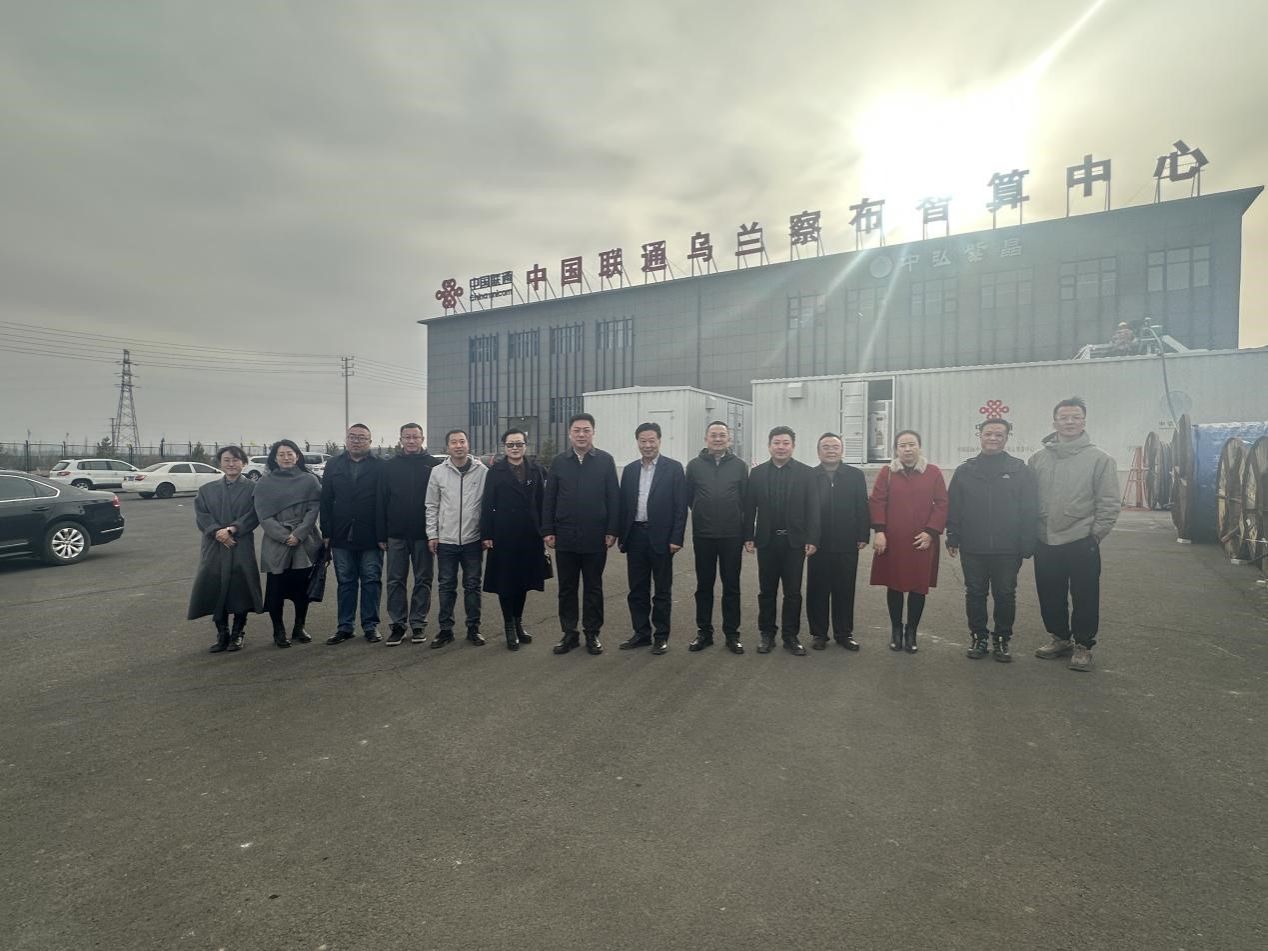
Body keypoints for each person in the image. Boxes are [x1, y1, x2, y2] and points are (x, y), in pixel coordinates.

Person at [1029, 397, 1121, 672]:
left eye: (1075, 417)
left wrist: (1096, 535)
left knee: (1085, 595)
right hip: (1045, 539)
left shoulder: (1100, 459)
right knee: (1050, 592)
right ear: (1054, 422)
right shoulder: (1038, 459)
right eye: (1064, 417)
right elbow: (1028, 500)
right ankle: (1060, 638)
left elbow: (1109, 501)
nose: (1069, 422)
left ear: (1084, 421)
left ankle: (1083, 645)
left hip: (1082, 539)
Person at [945, 419, 1038, 663]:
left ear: (1007, 438)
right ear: (980, 436)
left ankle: (1002, 639)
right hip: (973, 547)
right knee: (975, 593)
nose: (993, 438)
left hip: (1008, 548)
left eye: (999, 434)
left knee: (1005, 594)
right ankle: (979, 637)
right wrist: (953, 536)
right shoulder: (965, 471)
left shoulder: (1019, 470)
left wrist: (1027, 541)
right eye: (988, 434)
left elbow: (1029, 508)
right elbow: (954, 506)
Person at [542, 413, 620, 656]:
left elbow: (614, 498)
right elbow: (549, 498)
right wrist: (548, 530)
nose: (581, 434)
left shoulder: (605, 461)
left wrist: (612, 530)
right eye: (577, 430)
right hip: (565, 535)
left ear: (593, 433)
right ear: (569, 433)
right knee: (567, 588)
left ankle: (592, 633)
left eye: (586, 430)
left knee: (593, 587)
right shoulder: (559, 462)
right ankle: (569, 633)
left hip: (596, 536)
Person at [869, 430, 947, 654]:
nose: (907, 449)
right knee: (894, 585)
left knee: (918, 587)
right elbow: (877, 501)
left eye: (912, 444)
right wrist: (879, 531)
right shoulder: (887, 472)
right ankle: (896, 629)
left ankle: (911, 631)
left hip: (922, 541)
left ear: (919, 447)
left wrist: (931, 532)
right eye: (902, 445)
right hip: (893, 540)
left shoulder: (933, 472)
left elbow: (942, 503)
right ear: (896, 449)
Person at [744, 426, 820, 655]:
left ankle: (790, 636)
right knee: (766, 591)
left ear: (793, 446)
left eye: (786, 443)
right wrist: (748, 536)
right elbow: (749, 508)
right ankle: (767, 634)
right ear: (769, 446)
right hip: (766, 541)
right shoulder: (757, 474)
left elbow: (813, 509)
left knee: (793, 592)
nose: (781, 447)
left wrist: (812, 538)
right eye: (776, 443)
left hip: (794, 542)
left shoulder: (806, 473)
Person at [617, 422, 688, 655]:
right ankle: (641, 633)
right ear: (637, 442)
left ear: (659, 441)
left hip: (662, 538)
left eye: (651, 440)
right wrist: (621, 536)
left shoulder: (674, 468)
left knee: (662, 591)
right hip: (635, 536)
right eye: (643, 441)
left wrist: (676, 538)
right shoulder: (630, 470)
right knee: (637, 589)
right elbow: (623, 506)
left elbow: (680, 507)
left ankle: (661, 636)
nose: (647, 445)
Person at [187, 445, 264, 653]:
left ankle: (238, 632)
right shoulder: (207, 490)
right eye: (227, 460)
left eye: (236, 460)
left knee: (240, 588)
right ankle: (222, 633)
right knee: (214, 586)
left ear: (244, 463)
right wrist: (217, 532)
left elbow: (254, 514)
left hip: (240, 543)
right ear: (220, 463)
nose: (231, 464)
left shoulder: (254, 489)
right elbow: (202, 516)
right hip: (214, 545)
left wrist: (232, 529)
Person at [480, 428, 549, 650]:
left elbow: (542, 503)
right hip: (504, 535)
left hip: (530, 535)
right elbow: (487, 504)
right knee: (506, 582)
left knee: (523, 582)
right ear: (504, 447)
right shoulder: (495, 471)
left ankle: (518, 623)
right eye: (511, 445)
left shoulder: (536, 470)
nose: (515, 448)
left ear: (525, 446)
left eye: (519, 444)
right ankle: (509, 626)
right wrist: (486, 534)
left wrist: (545, 530)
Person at [685, 420, 749, 654]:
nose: (718, 439)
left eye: (722, 435)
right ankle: (704, 632)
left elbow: (745, 500)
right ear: (706, 439)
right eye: (714, 435)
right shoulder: (694, 466)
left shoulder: (740, 466)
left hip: (732, 535)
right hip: (704, 535)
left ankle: (732, 634)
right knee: (704, 586)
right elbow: (689, 497)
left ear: (729, 439)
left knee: (731, 586)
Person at [254, 439, 323, 648]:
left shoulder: (309, 480)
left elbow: (313, 509)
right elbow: (263, 515)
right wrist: (285, 536)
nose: (286, 457)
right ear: (274, 458)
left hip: (304, 541)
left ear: (297, 456)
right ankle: (279, 630)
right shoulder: (265, 483)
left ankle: (299, 627)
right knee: (276, 590)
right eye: (281, 454)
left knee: (303, 590)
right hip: (277, 542)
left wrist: (299, 534)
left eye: (290, 453)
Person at [321, 423, 385, 645]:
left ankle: (370, 625)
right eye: (352, 437)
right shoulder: (333, 464)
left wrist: (383, 534)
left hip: (371, 534)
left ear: (370, 441)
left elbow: (384, 501)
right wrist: (326, 532)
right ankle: (345, 626)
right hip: (340, 533)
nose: (356, 441)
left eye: (362, 437)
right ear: (346, 440)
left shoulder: (380, 466)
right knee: (346, 581)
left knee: (371, 580)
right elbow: (326, 499)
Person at [806, 433, 870, 651]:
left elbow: (862, 505)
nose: (831, 450)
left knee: (845, 589)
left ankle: (844, 633)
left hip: (847, 542)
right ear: (818, 451)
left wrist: (863, 534)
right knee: (817, 590)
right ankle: (819, 634)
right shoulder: (810, 476)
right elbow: (804, 509)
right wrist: (808, 538)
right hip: (818, 543)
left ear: (842, 451)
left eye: (835, 446)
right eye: (826, 447)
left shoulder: (855, 475)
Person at [378, 422, 439, 646]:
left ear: (422, 439)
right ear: (401, 439)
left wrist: (435, 533)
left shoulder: (434, 465)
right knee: (395, 580)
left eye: (415, 437)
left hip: (424, 535)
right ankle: (398, 625)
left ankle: (418, 623)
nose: (411, 441)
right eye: (407, 437)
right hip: (396, 535)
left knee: (423, 579)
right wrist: (381, 534)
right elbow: (381, 501)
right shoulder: (389, 466)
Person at [426, 429, 488, 648]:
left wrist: (486, 534)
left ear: (468, 444)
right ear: (448, 447)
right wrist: (433, 534)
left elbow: (488, 506)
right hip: (446, 540)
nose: (458, 445)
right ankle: (445, 630)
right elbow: (431, 505)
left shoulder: (482, 471)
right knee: (446, 586)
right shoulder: (438, 472)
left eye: (462, 441)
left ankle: (473, 628)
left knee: (472, 585)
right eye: (454, 442)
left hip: (473, 540)